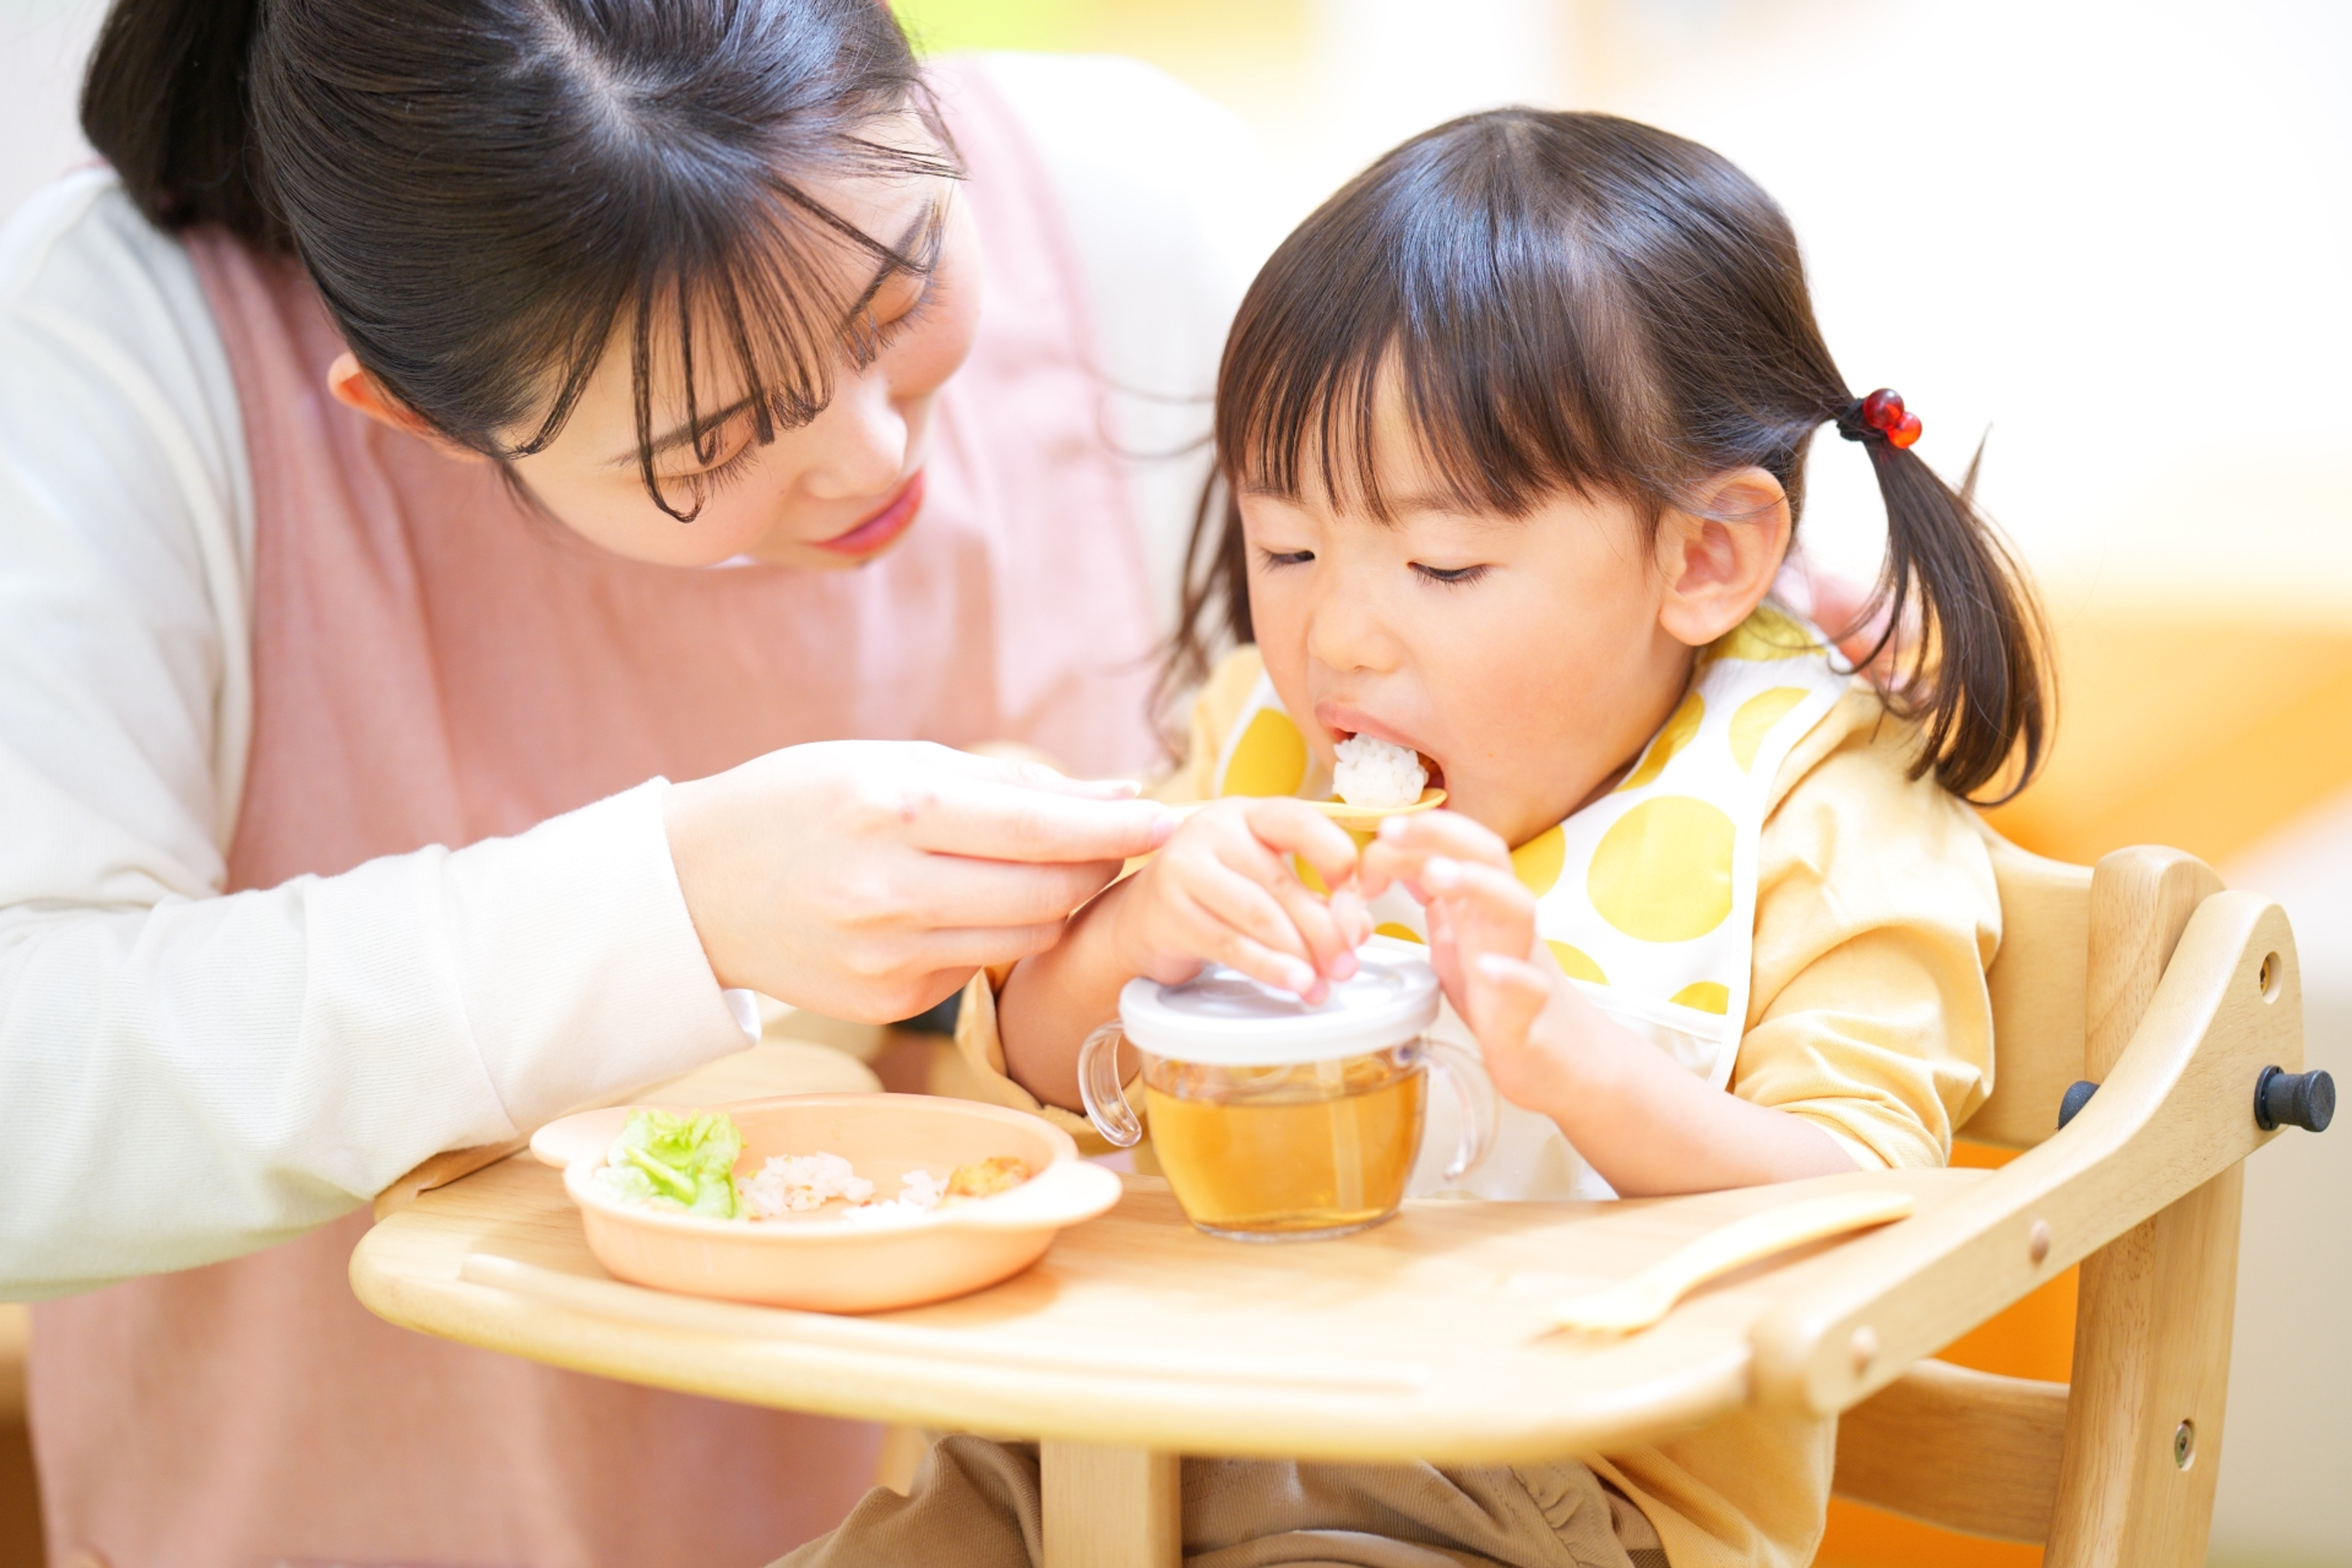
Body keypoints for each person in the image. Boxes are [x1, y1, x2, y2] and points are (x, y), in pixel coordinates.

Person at [0, 0, 1268, 1562]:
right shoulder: (123, 362)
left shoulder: (1140, 218)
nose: (874, 456)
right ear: (419, 418)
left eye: (902, 292)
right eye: (708, 444)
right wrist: (678, 905)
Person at [796, 108, 2050, 1567]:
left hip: (1537, 1491)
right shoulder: (1259, 739)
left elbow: (1867, 1212)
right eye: (1287, 547)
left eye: (1443, 563)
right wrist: (1128, 939)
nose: (1336, 635)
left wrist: (1574, 1058)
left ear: (1703, 554)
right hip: (1134, 1407)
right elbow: (1039, 1079)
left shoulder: (1821, 798)